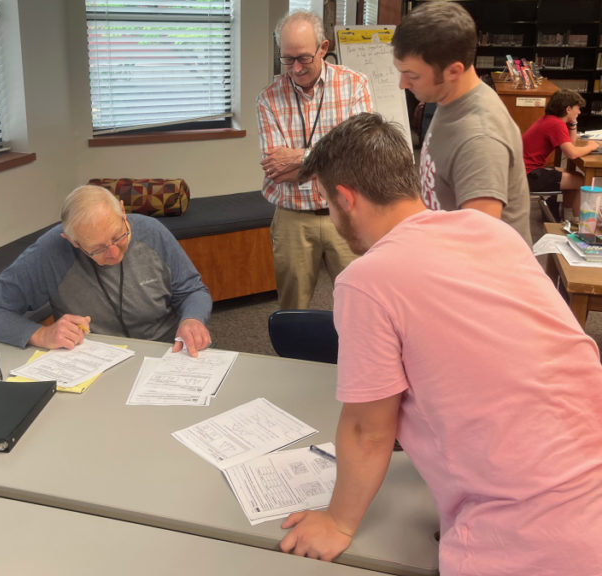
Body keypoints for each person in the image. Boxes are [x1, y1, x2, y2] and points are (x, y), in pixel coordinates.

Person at [278, 113, 602, 575]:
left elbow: (368, 431)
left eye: (328, 202)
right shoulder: (493, 231)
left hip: (532, 528)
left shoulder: (367, 280)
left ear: (345, 198)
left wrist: (338, 522)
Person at [0, 185, 212, 357]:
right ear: (73, 241)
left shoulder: (152, 232)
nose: (114, 253)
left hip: (169, 350)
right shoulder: (49, 253)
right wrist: (41, 334)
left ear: (124, 213)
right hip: (97, 362)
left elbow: (192, 290)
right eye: (98, 249)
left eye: (119, 236)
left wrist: (192, 319)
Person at [256, 10, 372, 309]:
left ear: (323, 48)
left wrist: (300, 157)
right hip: (292, 218)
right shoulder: (268, 98)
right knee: (292, 309)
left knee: (360, 303)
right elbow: (277, 170)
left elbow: (359, 156)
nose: (295, 68)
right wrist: (333, 158)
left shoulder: (354, 85)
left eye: (304, 58)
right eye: (287, 59)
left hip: (347, 213)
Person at [392, 2, 532, 245]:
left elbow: (478, 247)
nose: (402, 84)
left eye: (412, 75)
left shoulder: (480, 140)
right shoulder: (448, 100)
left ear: (453, 71)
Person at [523, 89, 600, 221]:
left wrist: (573, 123)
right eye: (578, 109)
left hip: (524, 171)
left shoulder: (549, 120)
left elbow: (571, 144)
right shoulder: (556, 124)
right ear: (568, 109)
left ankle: (567, 217)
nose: (579, 112)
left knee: (574, 175)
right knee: (582, 181)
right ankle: (577, 222)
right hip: (529, 176)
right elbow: (572, 153)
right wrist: (591, 146)